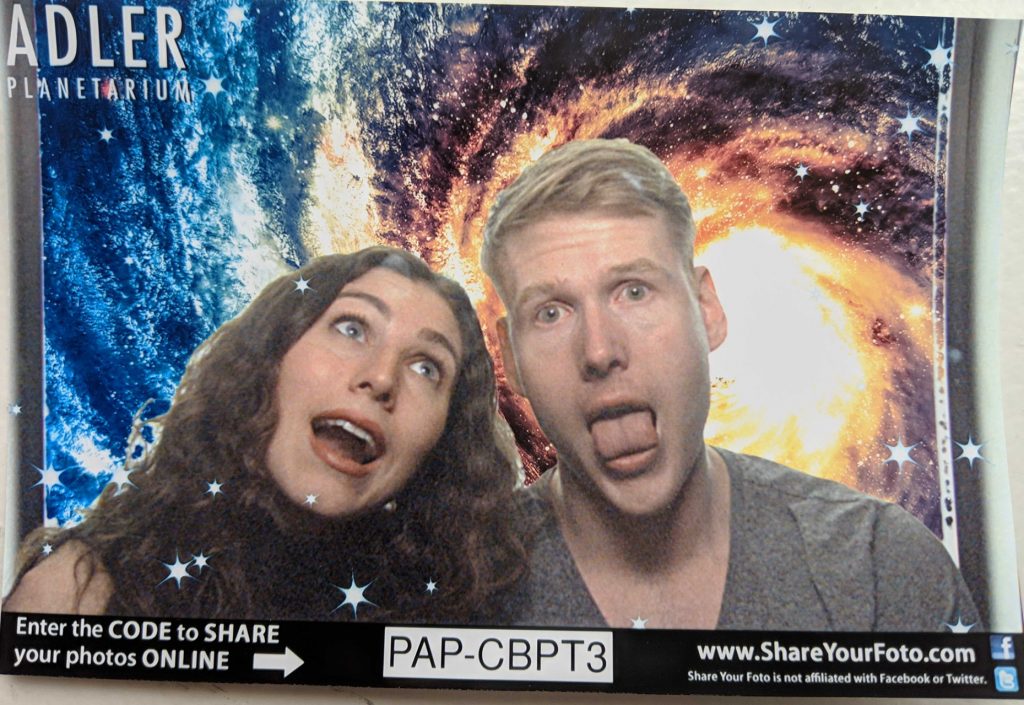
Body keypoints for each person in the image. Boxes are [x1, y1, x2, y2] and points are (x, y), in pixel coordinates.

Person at [481, 138, 979, 631]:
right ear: (511, 359)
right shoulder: (465, 589)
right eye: (550, 313)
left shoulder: (879, 568)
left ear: (707, 310)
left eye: (634, 291)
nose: (599, 351)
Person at [5, 247, 523, 623]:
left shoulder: (454, 630)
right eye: (352, 328)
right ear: (271, 358)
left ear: (440, 448)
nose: (382, 378)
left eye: (427, 367)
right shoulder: (81, 591)